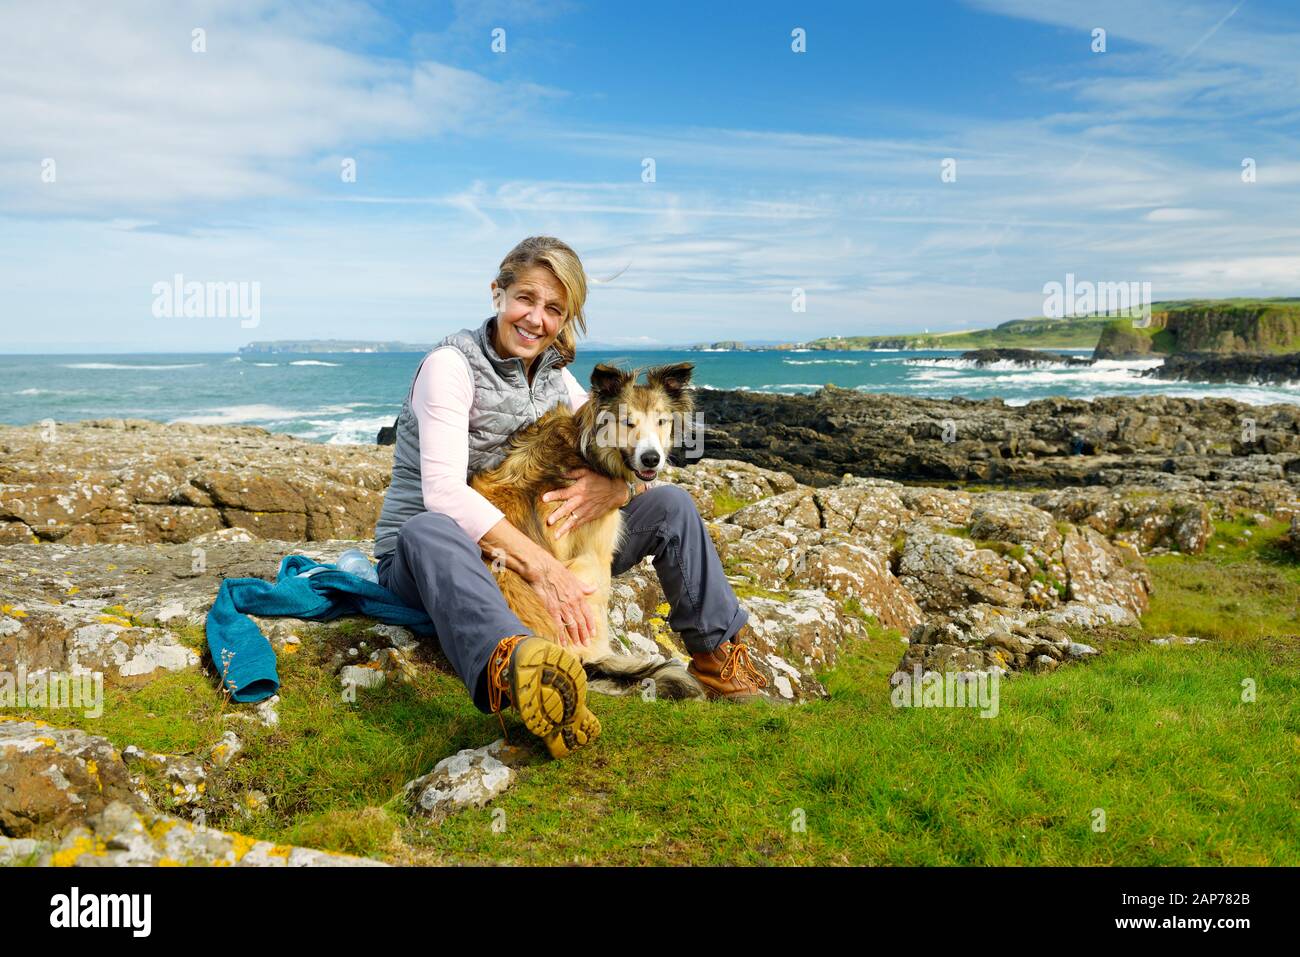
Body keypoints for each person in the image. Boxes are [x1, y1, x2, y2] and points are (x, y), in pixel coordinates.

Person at [372, 236, 767, 758]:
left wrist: (619, 486)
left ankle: (719, 662)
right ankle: (518, 668)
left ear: (566, 318)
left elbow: (623, 441)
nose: (535, 319)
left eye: (553, 309)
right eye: (525, 300)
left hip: (536, 539)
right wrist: (543, 570)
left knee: (672, 507)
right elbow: (443, 493)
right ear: (498, 293)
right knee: (428, 526)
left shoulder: (557, 376)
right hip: (437, 560)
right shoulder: (451, 366)